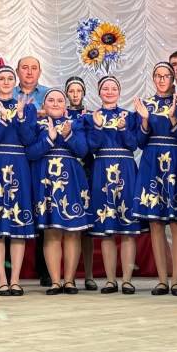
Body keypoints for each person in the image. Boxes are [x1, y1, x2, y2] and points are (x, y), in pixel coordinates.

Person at [131, 62, 177, 296]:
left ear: (173, 79)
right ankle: (162, 280)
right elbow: (139, 142)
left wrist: (173, 119)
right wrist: (144, 121)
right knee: (155, 223)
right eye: (158, 76)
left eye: (166, 76)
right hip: (152, 163)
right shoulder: (145, 105)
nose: (162, 80)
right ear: (153, 79)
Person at [0, 66, 40, 296]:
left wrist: (20, 117)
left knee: (18, 224)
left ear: (15, 82)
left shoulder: (28, 108)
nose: (6, 81)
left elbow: (29, 139)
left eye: (10, 78)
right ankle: (2, 278)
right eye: (1, 78)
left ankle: (15, 279)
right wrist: (3, 120)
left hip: (20, 164)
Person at [30, 89, 90, 294]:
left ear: (65, 105)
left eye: (59, 100)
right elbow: (31, 152)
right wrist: (49, 139)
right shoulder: (36, 125)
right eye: (51, 100)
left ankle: (70, 280)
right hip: (45, 179)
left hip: (71, 178)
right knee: (51, 231)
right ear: (44, 105)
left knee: (73, 231)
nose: (55, 103)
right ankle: (56, 281)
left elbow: (83, 150)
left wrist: (68, 135)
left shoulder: (75, 123)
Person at [86, 76, 143, 294]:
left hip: (126, 170)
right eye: (105, 88)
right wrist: (98, 127)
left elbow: (134, 144)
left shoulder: (129, 116)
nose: (109, 91)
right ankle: (110, 280)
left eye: (113, 88)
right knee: (106, 228)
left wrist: (123, 129)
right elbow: (91, 146)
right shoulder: (92, 117)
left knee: (128, 228)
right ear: (99, 92)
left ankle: (127, 279)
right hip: (102, 170)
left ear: (119, 92)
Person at [14, 55, 51, 285]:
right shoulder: (8, 92)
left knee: (42, 210)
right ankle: (8, 270)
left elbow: (56, 116)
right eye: (25, 68)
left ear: (40, 71)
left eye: (34, 68)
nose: (29, 72)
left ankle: (44, 269)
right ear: (18, 71)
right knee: (11, 209)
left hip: (40, 159)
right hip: (15, 158)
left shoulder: (47, 94)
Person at [64, 75, 98, 291]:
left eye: (79, 91)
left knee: (86, 226)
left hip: (86, 170)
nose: (75, 94)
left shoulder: (91, 115)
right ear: (66, 93)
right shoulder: (60, 113)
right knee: (68, 224)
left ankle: (89, 274)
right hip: (67, 170)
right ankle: (69, 275)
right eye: (72, 91)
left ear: (84, 93)